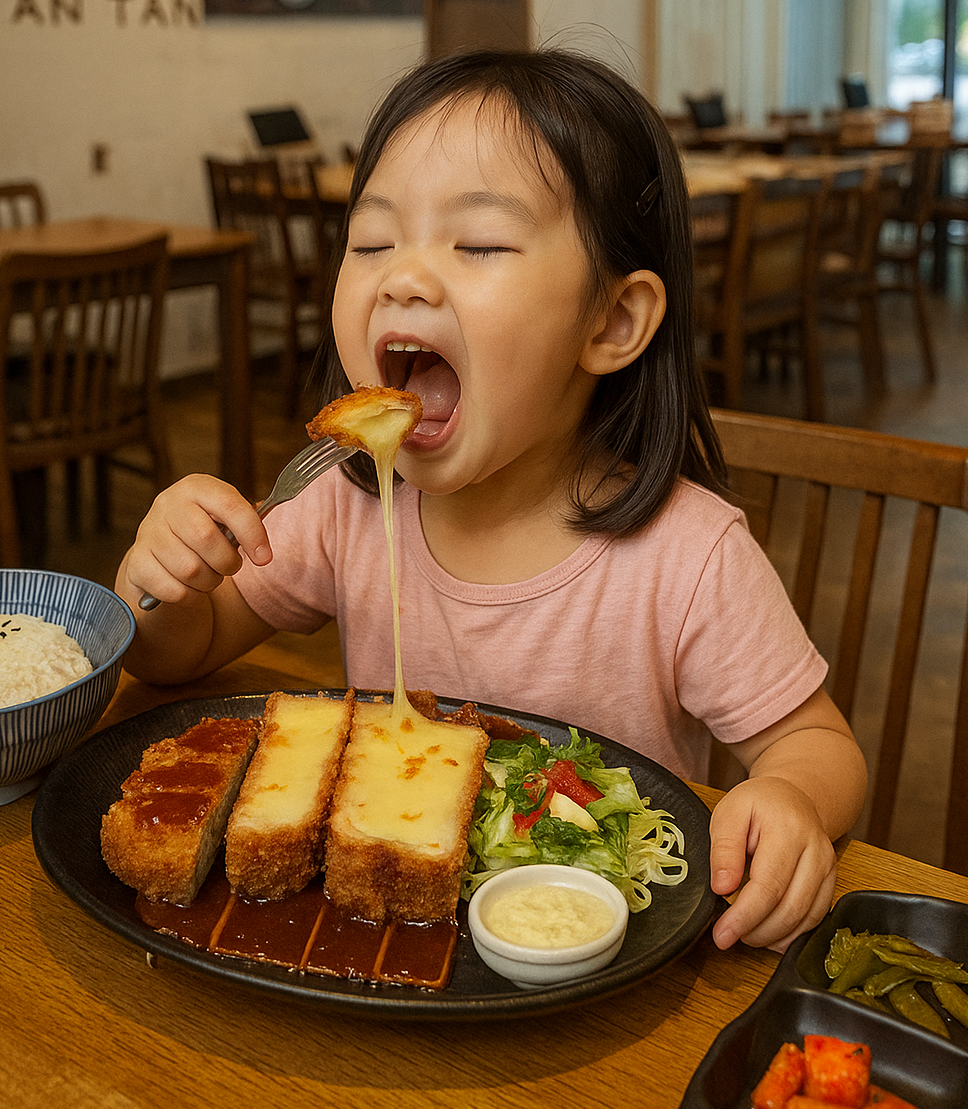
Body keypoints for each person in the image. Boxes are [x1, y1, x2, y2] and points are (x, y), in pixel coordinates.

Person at [118, 48, 867, 954]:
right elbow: (181, 654)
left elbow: (821, 748)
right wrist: (164, 587)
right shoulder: (346, 502)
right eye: (369, 243)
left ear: (612, 322)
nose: (403, 278)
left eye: (478, 244)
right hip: (379, 948)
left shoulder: (687, 556)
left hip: (593, 966)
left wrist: (789, 800)